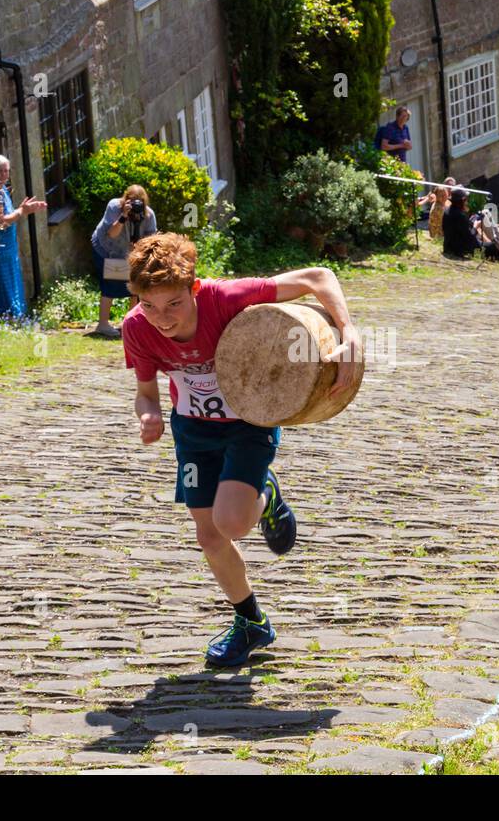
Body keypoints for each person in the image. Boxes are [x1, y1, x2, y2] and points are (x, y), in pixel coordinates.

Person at [123, 233, 362, 666]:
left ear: (193, 288)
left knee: (231, 522)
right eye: (149, 305)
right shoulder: (137, 329)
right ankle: (251, 622)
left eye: (174, 304)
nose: (162, 317)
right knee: (208, 535)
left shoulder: (225, 298)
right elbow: (145, 393)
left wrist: (348, 333)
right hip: (193, 431)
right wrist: (148, 415)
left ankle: (264, 493)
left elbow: (318, 276)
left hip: (251, 421)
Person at [89, 183, 158, 338]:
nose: (136, 206)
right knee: (110, 286)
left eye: (139, 202)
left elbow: (151, 239)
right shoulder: (115, 207)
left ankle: (130, 323)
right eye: (132, 202)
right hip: (106, 249)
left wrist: (139, 248)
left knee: (135, 287)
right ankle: (103, 325)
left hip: (131, 254)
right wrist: (124, 216)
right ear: (126, 199)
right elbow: (111, 234)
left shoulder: (148, 214)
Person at [0, 155, 45, 320]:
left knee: (12, 283)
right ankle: (7, 319)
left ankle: (17, 318)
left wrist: (25, 209)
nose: (3, 175)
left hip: (8, 247)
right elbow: (1, 222)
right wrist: (22, 211)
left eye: (6, 171)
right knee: (4, 287)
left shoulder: (2, 190)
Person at [442, 188, 499, 267]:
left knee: (490, 248)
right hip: (459, 247)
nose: (466, 202)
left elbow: (460, 230)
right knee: (490, 247)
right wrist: (476, 226)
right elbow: (470, 236)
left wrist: (471, 223)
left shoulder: (448, 211)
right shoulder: (460, 215)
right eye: (465, 200)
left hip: (451, 245)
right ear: (461, 201)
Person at [418, 177, 455, 242]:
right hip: (439, 237)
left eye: (452, 186)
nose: (443, 197)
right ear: (437, 196)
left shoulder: (446, 201)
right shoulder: (438, 207)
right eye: (441, 195)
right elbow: (449, 222)